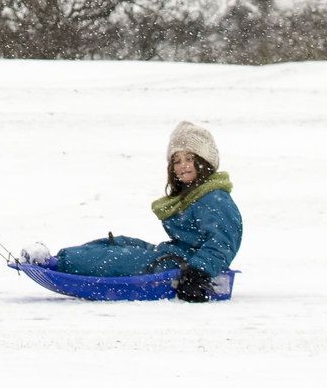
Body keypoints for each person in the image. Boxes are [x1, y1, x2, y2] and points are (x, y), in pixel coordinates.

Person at [21, 121, 242, 302]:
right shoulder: (196, 194)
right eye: (177, 160)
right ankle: (60, 259)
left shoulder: (214, 197)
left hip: (187, 265)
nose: (182, 166)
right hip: (177, 254)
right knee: (120, 242)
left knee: (124, 260)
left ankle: (55, 264)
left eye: (189, 159)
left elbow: (223, 242)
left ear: (205, 162)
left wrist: (197, 274)